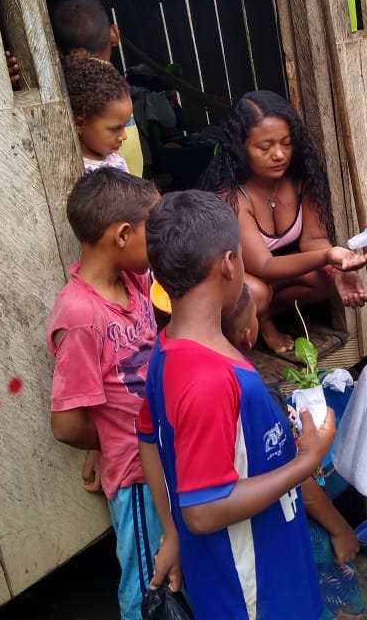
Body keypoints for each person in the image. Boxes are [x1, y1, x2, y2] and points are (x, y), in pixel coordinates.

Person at [138, 189, 336, 619]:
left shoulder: (168, 348)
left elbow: (149, 438)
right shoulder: (208, 379)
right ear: (229, 263)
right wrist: (308, 460)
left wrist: (169, 533)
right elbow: (205, 511)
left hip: (266, 565)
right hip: (249, 591)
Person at [46, 167, 163, 620]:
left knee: (171, 565)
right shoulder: (79, 315)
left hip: (159, 453)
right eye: (153, 231)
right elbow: (67, 423)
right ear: (124, 234)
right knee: (146, 581)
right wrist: (107, 443)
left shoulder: (133, 281)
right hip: (134, 474)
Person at [222, 285, 366, 620]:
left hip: (253, 542)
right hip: (299, 524)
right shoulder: (261, 398)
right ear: (249, 334)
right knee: (334, 604)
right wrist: (340, 528)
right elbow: (299, 480)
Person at [200, 91, 367, 354]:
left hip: (275, 277)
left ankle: (265, 314)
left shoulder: (302, 181)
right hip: (241, 277)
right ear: (240, 148)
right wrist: (329, 256)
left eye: (286, 143)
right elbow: (264, 265)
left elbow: (313, 241)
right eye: (265, 147)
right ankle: (261, 321)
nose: (279, 154)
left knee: (328, 280)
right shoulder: (233, 197)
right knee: (256, 292)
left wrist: (336, 269)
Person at [52, 0, 145, 176]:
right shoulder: (103, 91)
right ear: (114, 34)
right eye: (115, 127)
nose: (123, 136)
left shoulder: (109, 88)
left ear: (57, 50)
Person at [62, 52, 135, 174]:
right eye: (115, 129)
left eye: (124, 125)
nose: (124, 136)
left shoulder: (116, 161)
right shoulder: (74, 171)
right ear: (80, 124)